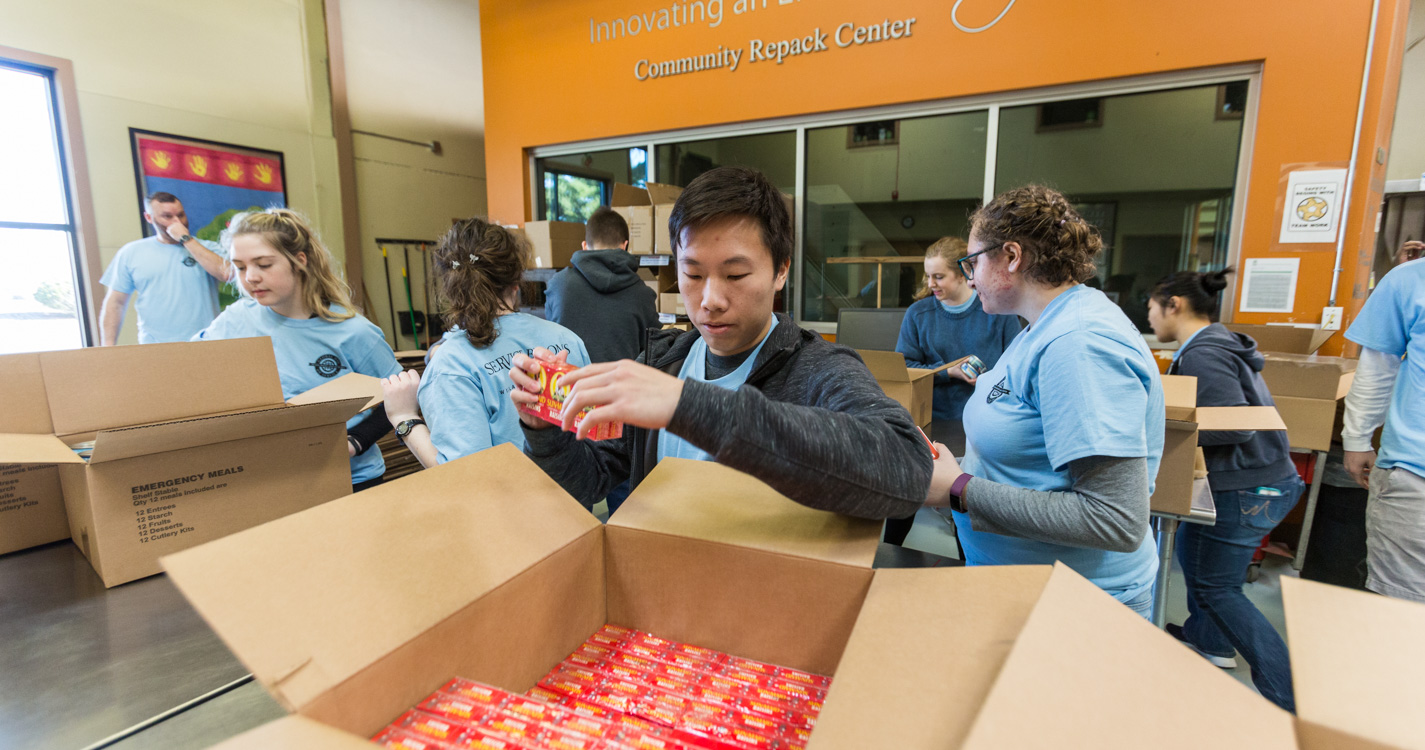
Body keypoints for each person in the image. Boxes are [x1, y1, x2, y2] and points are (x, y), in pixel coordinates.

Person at [508, 166, 932, 517]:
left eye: (735, 275)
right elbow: (586, 482)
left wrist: (687, 406)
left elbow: (907, 468)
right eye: (692, 274)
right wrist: (544, 431)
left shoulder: (818, 369)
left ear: (780, 270)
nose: (710, 300)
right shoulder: (662, 364)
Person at [922, 185, 1163, 618]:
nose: (971, 277)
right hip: (1023, 583)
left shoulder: (1079, 344)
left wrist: (958, 489)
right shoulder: (1040, 327)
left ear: (1011, 257)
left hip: (1072, 603)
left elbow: (1114, 518)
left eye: (973, 262)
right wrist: (954, 465)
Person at [1147, 268, 1302, 712]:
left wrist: (1164, 430)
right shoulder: (1220, 342)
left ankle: (1289, 695)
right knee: (1198, 558)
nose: (1152, 319)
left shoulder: (1203, 355)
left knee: (1216, 588)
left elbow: (1231, 424)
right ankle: (1207, 639)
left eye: (1152, 309)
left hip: (1247, 485)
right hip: (1264, 479)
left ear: (1173, 305)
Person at [192, 209, 399, 492]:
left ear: (299, 261)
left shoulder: (352, 332)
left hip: (349, 481)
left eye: (263, 265)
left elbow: (403, 396)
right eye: (240, 267)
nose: (250, 277)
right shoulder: (235, 319)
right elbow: (189, 371)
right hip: (267, 481)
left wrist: (356, 441)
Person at [381, 217, 591, 469]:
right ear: (516, 281)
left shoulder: (452, 365)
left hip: (509, 507)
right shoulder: (566, 340)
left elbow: (465, 476)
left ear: (450, 286)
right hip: (576, 501)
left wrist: (403, 417)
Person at [1341, 253, 1425, 604]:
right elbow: (1377, 366)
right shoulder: (1409, 280)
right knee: (1401, 611)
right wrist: (1357, 438)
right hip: (1414, 474)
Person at [897, 236, 1022, 421]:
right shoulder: (917, 314)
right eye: (928, 276)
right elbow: (904, 369)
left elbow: (1018, 366)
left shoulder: (998, 311)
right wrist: (948, 371)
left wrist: (988, 379)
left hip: (990, 417)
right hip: (933, 418)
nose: (931, 284)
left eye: (939, 277)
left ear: (962, 273)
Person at [100, 192, 232, 345]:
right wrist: (108, 346)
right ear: (149, 218)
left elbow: (227, 273)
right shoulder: (130, 253)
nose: (177, 222)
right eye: (168, 217)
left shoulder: (206, 248)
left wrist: (186, 240)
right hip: (155, 347)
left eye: (181, 215)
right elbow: (116, 302)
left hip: (206, 343)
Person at [545, 207, 660, 363]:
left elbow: (549, 340)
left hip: (569, 385)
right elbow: (653, 352)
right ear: (624, 246)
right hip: (622, 385)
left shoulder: (558, 285)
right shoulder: (643, 295)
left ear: (584, 246)